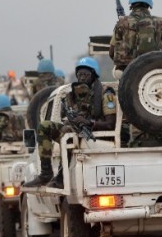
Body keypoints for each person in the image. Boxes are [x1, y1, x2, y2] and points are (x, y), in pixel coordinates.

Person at [24, 57, 117, 188]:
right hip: (75, 131)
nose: (82, 78)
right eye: (79, 74)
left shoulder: (105, 94)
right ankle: (45, 173)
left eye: (86, 74)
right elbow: (62, 116)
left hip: (95, 134)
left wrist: (88, 122)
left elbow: (110, 124)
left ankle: (61, 178)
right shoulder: (72, 95)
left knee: (67, 134)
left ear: (94, 75)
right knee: (44, 126)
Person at [109, 0, 162, 78]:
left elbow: (111, 52)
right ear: (149, 5)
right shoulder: (160, 22)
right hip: (154, 69)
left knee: (117, 73)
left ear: (132, 4)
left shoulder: (122, 22)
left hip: (127, 71)